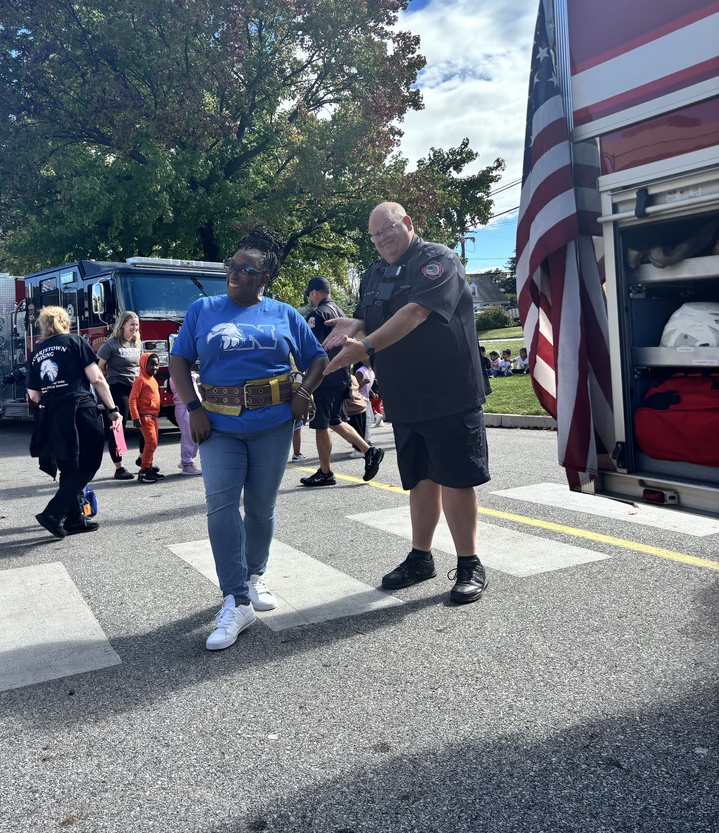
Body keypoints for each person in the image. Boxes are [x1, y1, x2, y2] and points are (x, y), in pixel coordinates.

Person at [321, 201, 491, 605]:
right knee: (418, 479)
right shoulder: (375, 273)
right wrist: (355, 325)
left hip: (449, 392)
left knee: (455, 478)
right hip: (405, 395)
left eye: (388, 229)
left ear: (408, 224)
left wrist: (364, 343)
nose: (381, 240)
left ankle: (469, 564)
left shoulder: (437, 261)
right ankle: (421, 558)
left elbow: (415, 313)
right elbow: (370, 316)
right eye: (375, 235)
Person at [169, 228, 327, 652]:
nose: (234, 273)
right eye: (230, 266)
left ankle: (255, 575)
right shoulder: (203, 309)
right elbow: (179, 359)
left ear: (263, 278)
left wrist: (304, 392)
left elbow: (318, 358)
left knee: (260, 507)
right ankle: (235, 599)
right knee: (221, 505)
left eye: (245, 269)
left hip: (273, 423)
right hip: (217, 425)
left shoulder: (284, 314)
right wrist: (194, 407)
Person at [27, 305, 122, 538]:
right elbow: (97, 378)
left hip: (52, 413)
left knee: (68, 465)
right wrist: (113, 409)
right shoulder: (75, 342)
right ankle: (53, 512)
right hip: (80, 408)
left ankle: (74, 520)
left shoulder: (37, 352)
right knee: (89, 463)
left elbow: (34, 394)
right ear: (65, 322)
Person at [299, 275, 384, 488]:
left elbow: (314, 347)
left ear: (315, 293)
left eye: (310, 294)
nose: (310, 298)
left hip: (325, 375)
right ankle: (369, 450)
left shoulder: (317, 314)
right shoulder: (339, 312)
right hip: (343, 373)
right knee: (334, 420)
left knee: (321, 423)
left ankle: (325, 472)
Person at [97, 311, 141, 480]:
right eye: (132, 324)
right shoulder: (111, 344)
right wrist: (104, 387)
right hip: (118, 387)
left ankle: (144, 459)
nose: (135, 328)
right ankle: (119, 467)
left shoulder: (137, 343)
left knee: (145, 422)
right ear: (123, 325)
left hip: (135, 388)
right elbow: (98, 368)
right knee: (118, 426)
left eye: (137, 325)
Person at [129, 352, 163, 483]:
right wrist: (135, 416)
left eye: (157, 364)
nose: (155, 367)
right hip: (145, 416)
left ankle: (148, 466)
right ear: (144, 365)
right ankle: (143, 471)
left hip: (154, 417)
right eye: (151, 365)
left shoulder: (153, 380)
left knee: (153, 443)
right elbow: (132, 398)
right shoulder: (140, 380)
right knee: (151, 442)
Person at [170, 364, 202, 475]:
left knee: (196, 435)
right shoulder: (177, 375)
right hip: (184, 408)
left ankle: (188, 460)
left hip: (193, 407)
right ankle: (187, 463)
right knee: (189, 435)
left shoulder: (192, 374)